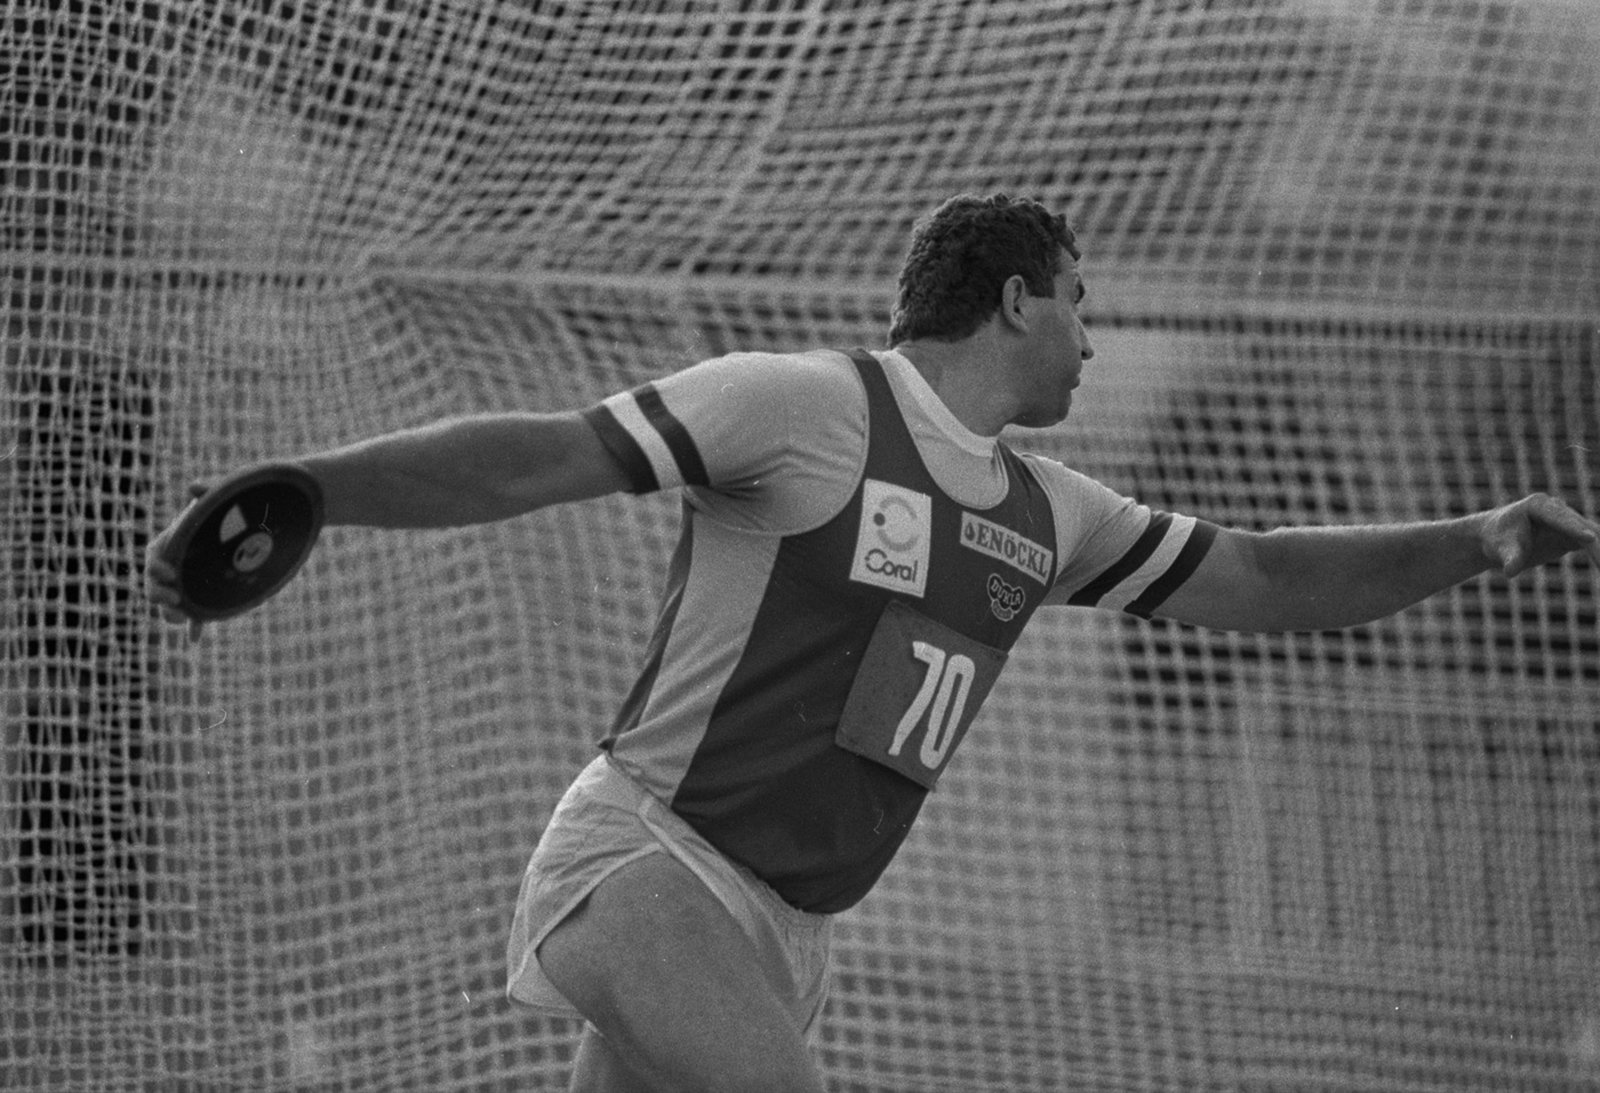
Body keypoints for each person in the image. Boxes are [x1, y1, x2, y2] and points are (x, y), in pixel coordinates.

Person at [146, 194, 1600, 1093]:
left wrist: (1476, 541)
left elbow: (1266, 576)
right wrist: (314, 487)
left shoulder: (1053, 511)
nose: (1093, 341)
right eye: (1080, 304)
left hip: (790, 930)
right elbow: (538, 456)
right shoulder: (801, 403)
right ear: (1018, 297)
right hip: (644, 863)